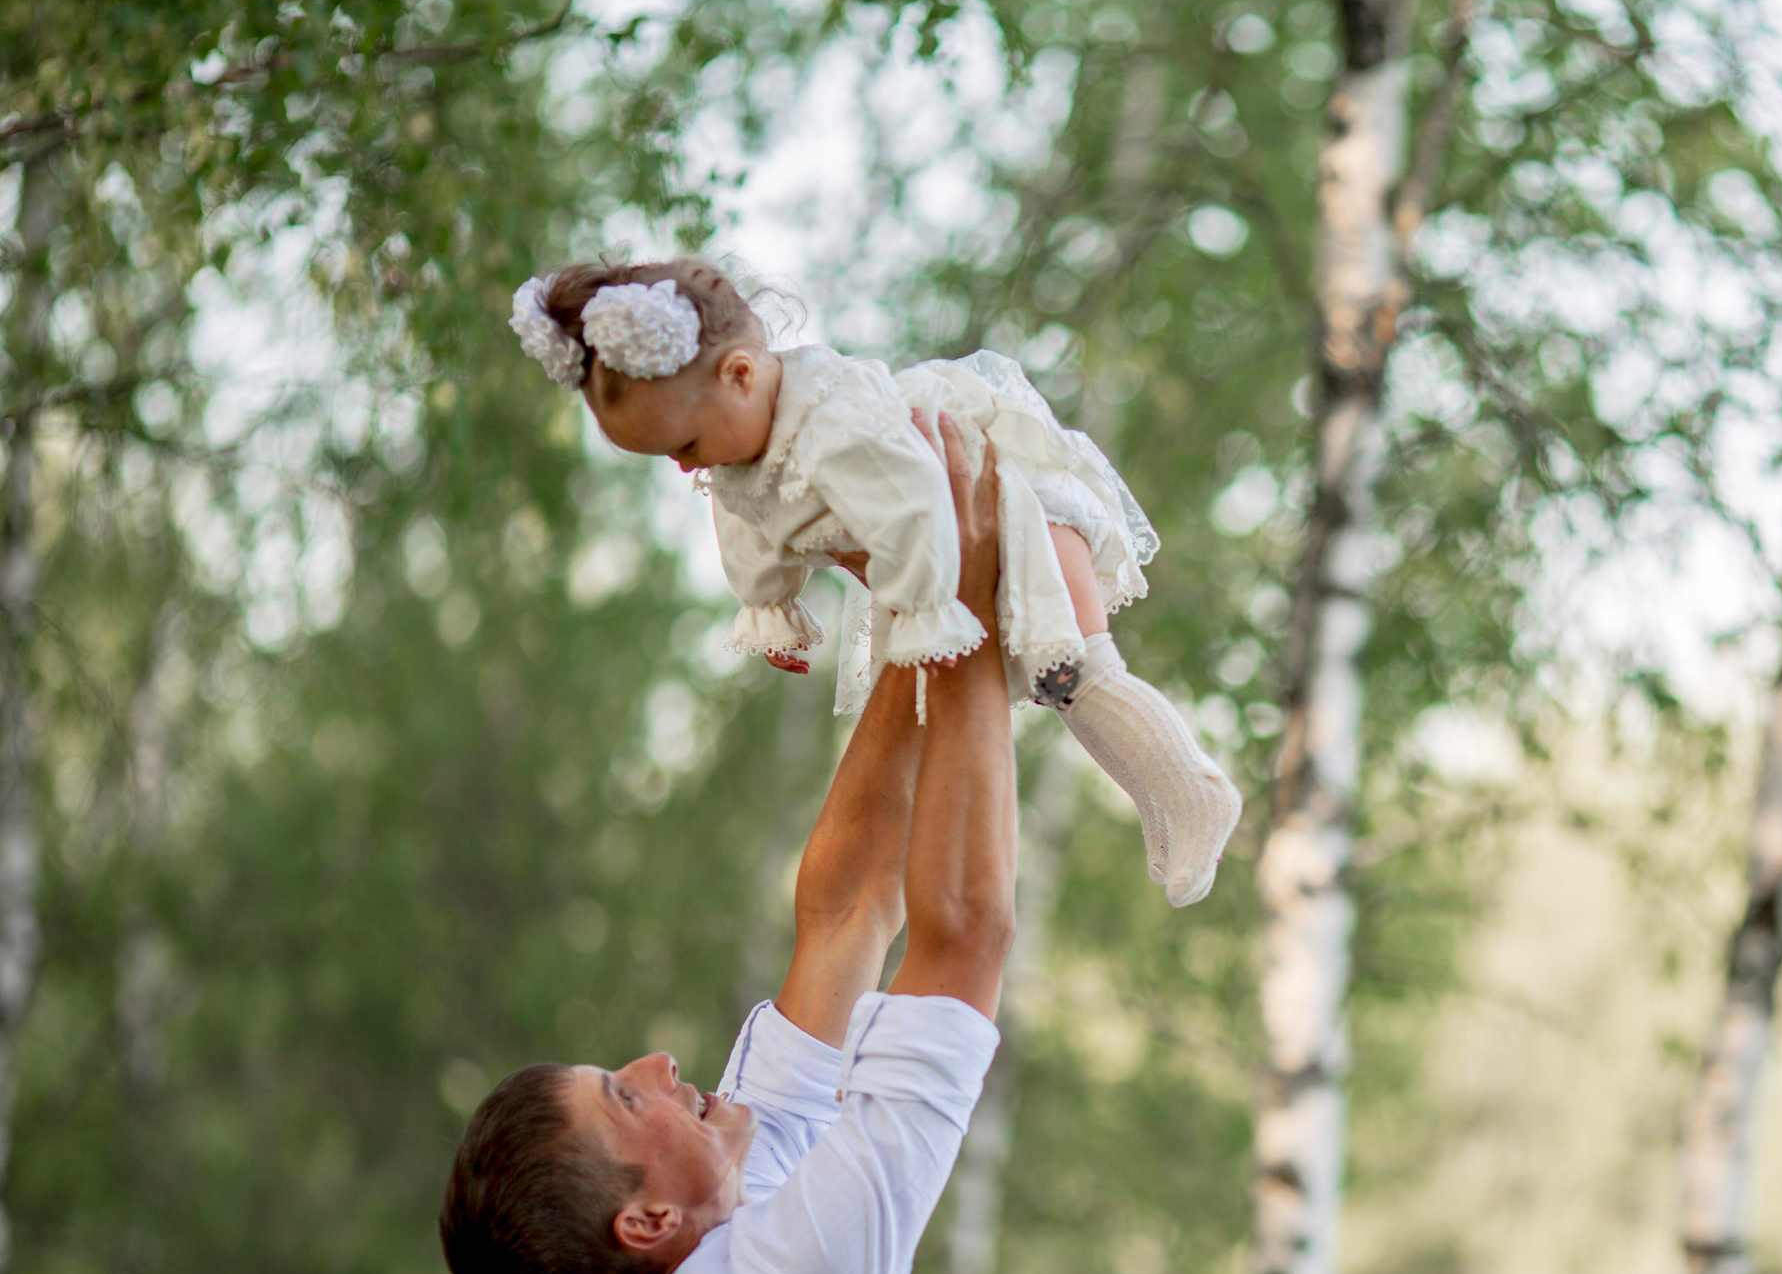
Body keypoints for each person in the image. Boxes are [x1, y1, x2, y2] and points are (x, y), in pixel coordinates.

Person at [441, 411, 1020, 1274]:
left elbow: (847, 910)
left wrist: (911, 615)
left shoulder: (700, 1247)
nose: (659, 1067)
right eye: (626, 1099)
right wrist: (968, 593)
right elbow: (961, 938)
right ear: (644, 1221)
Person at [508, 256, 1240, 908]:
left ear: (740, 373)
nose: (685, 466)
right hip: (938, 556)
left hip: (1011, 500)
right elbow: (745, 525)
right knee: (1047, 692)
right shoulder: (737, 454)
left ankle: (1194, 792)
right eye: (667, 454)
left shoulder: (835, 420)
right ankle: (1162, 798)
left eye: (687, 445)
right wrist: (770, 604)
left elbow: (915, 501)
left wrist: (925, 607)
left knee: (1079, 668)